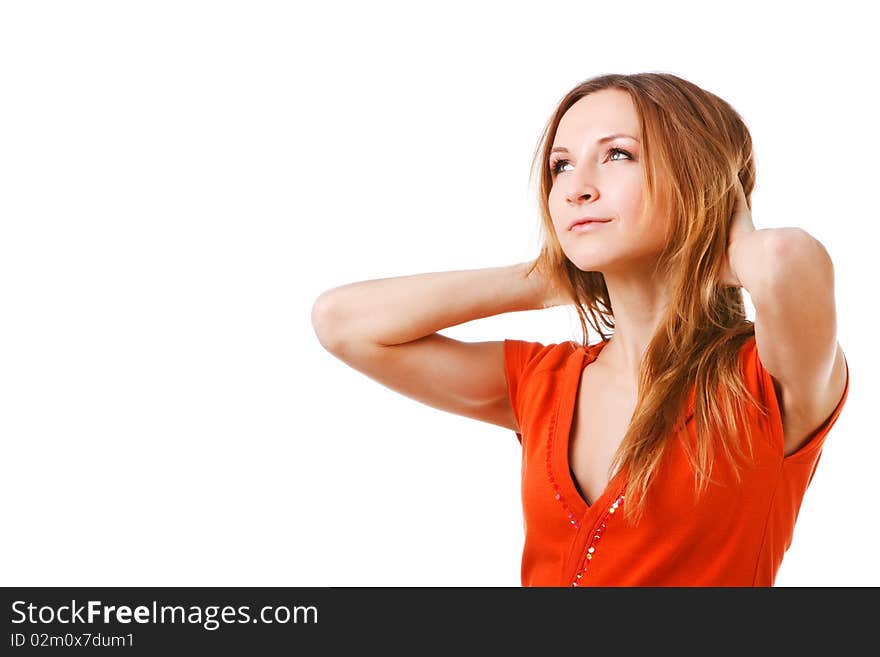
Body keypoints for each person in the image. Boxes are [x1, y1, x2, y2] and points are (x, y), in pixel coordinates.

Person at [310, 72, 850, 586]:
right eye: (561, 166)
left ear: (699, 178)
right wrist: (546, 279)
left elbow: (783, 258)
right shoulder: (542, 380)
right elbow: (342, 322)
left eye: (618, 154)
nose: (576, 188)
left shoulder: (766, 383)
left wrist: (720, 242)